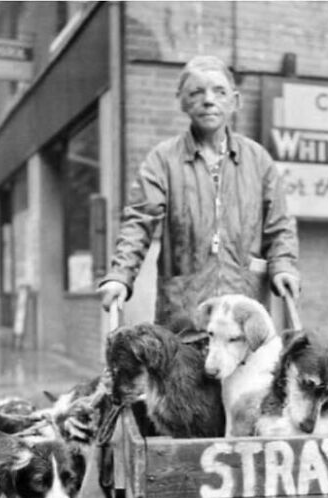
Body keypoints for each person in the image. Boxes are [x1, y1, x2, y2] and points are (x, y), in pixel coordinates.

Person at [98, 55, 299, 326]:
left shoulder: (258, 160)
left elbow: (280, 226)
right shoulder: (163, 160)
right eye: (196, 92)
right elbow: (138, 223)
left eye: (219, 91)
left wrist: (283, 267)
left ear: (235, 101)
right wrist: (120, 276)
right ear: (182, 101)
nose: (208, 100)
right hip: (184, 316)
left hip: (242, 318)